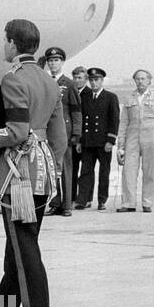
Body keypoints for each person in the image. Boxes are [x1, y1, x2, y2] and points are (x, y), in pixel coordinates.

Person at [0, 19, 66, 307]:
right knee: (19, 248)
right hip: (43, 172)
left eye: (5, 40)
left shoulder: (13, 79)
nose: (4, 44)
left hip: (19, 175)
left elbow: (17, 132)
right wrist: (51, 169)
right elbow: (58, 137)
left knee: (25, 253)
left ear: (12, 44)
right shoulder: (49, 81)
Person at [116, 70, 154, 212]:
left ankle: (147, 202)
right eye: (137, 79)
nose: (140, 81)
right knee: (128, 171)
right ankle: (128, 203)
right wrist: (121, 144)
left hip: (150, 138)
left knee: (149, 171)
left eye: (143, 79)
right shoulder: (129, 99)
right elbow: (123, 123)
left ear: (149, 81)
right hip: (132, 137)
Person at [41, 47, 81, 216]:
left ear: (62, 62)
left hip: (64, 132)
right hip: (47, 131)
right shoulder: (43, 81)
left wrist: (76, 133)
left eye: (56, 60)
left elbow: (76, 110)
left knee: (65, 169)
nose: (53, 63)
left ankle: (66, 205)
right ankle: (55, 203)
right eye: (50, 61)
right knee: (50, 169)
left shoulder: (69, 84)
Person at [76, 66, 120, 210]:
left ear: (102, 81)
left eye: (97, 80)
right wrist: (80, 140)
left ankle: (102, 200)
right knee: (85, 172)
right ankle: (82, 200)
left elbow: (114, 120)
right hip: (88, 142)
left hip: (103, 142)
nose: (94, 83)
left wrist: (111, 140)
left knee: (104, 173)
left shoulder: (110, 97)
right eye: (91, 80)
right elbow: (82, 120)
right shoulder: (85, 97)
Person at [68, 65, 87, 204]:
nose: (76, 80)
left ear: (85, 79)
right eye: (75, 77)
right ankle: (72, 196)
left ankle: (85, 198)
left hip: (86, 138)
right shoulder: (70, 91)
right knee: (72, 169)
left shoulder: (89, 94)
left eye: (80, 78)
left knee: (86, 171)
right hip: (73, 137)